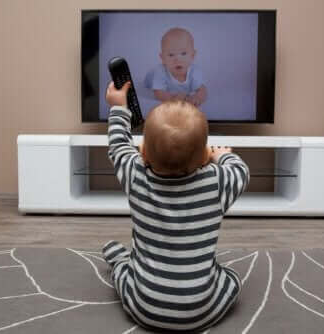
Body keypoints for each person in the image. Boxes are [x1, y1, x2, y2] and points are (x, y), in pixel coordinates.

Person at [102, 81, 250, 332]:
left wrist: (118, 108)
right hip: (203, 311)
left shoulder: (135, 176)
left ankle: (120, 261)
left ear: (143, 153)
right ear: (204, 155)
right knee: (232, 280)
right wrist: (222, 155)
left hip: (143, 308)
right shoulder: (217, 182)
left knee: (125, 274)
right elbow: (241, 171)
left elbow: (118, 146)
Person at [144, 27, 207, 107]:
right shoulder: (160, 71)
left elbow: (202, 90)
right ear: (163, 58)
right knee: (149, 83)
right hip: (150, 80)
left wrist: (197, 97)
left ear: (193, 55)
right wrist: (172, 98)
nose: (177, 60)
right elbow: (158, 93)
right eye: (171, 55)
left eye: (183, 53)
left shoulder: (194, 71)